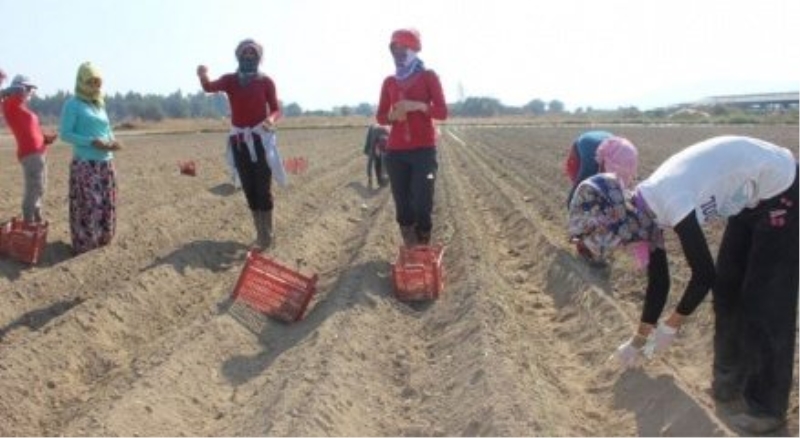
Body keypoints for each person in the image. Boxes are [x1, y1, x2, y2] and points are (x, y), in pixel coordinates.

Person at [567, 135, 798, 434]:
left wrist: (670, 328)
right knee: (727, 291)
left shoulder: (669, 199)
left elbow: (703, 274)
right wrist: (638, 340)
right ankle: (728, 380)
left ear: (623, 221)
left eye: (618, 237)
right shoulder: (643, 208)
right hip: (747, 198)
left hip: (781, 189)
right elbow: (659, 282)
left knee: (765, 303)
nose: (622, 244)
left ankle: (768, 407)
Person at [197, 38, 283, 250]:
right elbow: (209, 87)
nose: (248, 57)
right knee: (248, 187)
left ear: (258, 58)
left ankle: (268, 233)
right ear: (238, 56)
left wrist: (270, 120)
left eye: (253, 54)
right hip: (239, 142)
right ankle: (259, 232)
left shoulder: (266, 82)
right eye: (245, 54)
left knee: (263, 187)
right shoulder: (230, 80)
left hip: (260, 140)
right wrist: (202, 74)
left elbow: (276, 109)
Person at [375, 28, 447, 246]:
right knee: (403, 205)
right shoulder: (389, 82)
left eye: (402, 48)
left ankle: (423, 242)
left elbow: (442, 112)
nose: (397, 53)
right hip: (396, 152)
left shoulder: (428, 77)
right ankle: (410, 246)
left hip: (424, 151)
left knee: (423, 202)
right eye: (394, 48)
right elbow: (381, 117)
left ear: (414, 49)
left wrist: (417, 106)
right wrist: (392, 116)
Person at [59, 62, 122, 255]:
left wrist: (113, 142)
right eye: (91, 82)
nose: (95, 86)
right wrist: (91, 142)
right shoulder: (73, 104)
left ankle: (103, 239)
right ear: (81, 81)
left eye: (97, 82)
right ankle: (86, 244)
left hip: (105, 163)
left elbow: (107, 129)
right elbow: (65, 134)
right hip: (86, 164)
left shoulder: (99, 103)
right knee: (89, 205)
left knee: (105, 203)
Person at [565, 132, 639, 263]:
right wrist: (576, 227)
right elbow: (577, 197)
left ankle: (593, 241)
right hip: (583, 147)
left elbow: (620, 195)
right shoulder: (590, 165)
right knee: (587, 195)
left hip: (610, 147)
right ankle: (583, 244)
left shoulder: (624, 160)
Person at [1, 75, 58, 224]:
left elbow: (32, 131)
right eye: (28, 89)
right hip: (30, 153)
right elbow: (15, 90)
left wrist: (46, 138)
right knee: (34, 187)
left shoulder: (22, 107)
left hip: (39, 152)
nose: (31, 92)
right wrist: (9, 83)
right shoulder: (10, 104)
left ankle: (36, 215)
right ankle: (28, 219)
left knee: (40, 186)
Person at [363, 124, 389, 188]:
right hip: (373, 130)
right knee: (376, 161)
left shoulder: (390, 139)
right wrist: (370, 179)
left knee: (385, 161)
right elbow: (369, 163)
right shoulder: (373, 143)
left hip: (384, 141)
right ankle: (379, 181)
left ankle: (384, 180)